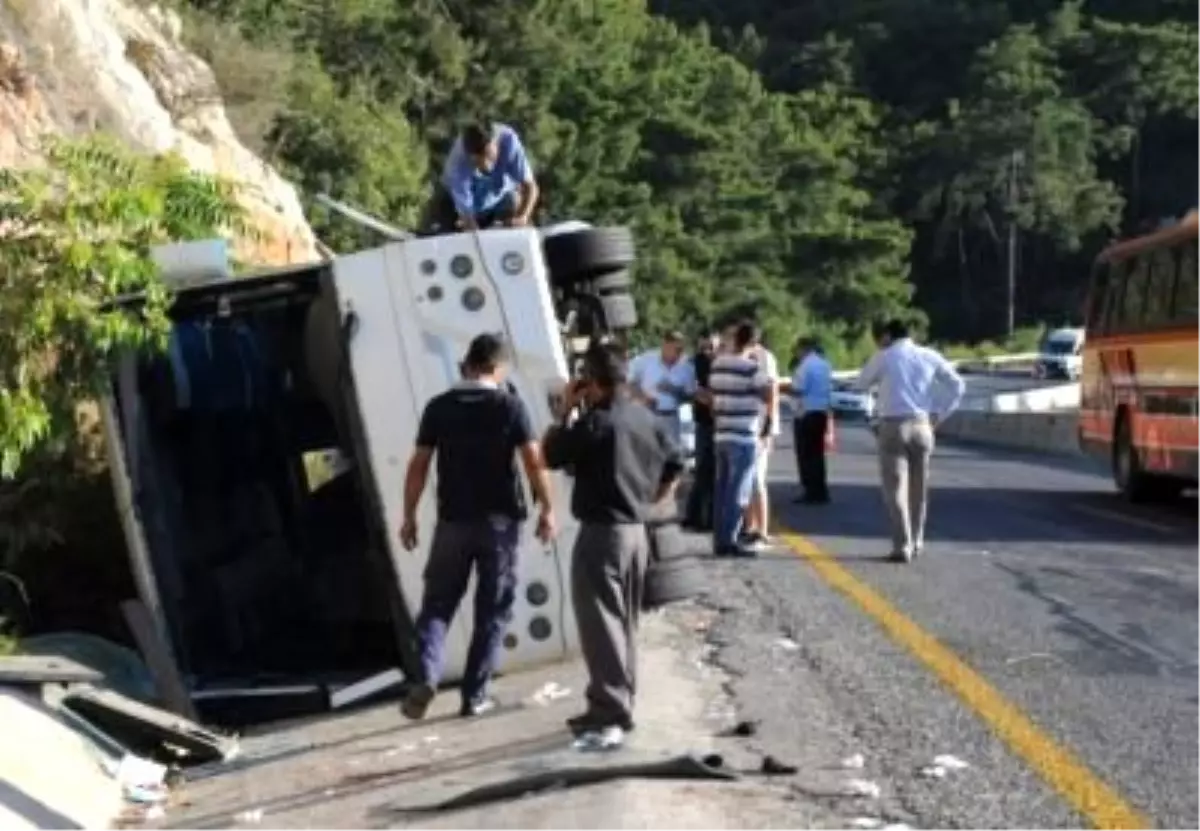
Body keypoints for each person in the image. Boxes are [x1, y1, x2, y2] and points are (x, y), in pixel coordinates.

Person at [398, 333, 556, 719]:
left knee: (437, 604)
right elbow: (533, 462)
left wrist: (409, 515)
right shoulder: (509, 406)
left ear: (467, 364)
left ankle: (426, 676)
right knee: (492, 610)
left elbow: (418, 465)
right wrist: (548, 508)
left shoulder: (439, 408)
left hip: (453, 522)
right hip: (500, 525)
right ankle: (475, 696)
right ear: (497, 367)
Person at [543, 343, 685, 750]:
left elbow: (549, 454)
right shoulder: (647, 418)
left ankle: (608, 710)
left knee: (600, 625)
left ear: (590, 381)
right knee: (624, 624)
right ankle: (622, 701)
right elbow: (676, 463)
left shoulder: (595, 423)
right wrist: (654, 497)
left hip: (601, 533)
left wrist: (564, 411)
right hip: (637, 531)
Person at [855, 319, 965, 563]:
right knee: (919, 488)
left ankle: (902, 544)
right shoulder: (928, 355)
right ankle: (917, 540)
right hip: (923, 424)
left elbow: (861, 384)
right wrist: (939, 413)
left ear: (887, 336)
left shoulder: (884, 356)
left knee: (895, 489)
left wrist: (872, 414)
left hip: (893, 424)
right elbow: (958, 385)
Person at [709, 321, 776, 558]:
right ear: (752, 343)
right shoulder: (751, 368)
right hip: (743, 435)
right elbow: (768, 393)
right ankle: (729, 541)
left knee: (722, 489)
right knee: (739, 492)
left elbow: (712, 396)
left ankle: (719, 539)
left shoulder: (717, 364)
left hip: (721, 433)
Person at [424, 120, 540, 233]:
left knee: (517, 205)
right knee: (438, 218)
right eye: (478, 161)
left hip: (501, 199)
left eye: (488, 155)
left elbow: (530, 186)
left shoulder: (509, 140)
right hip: (459, 205)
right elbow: (466, 216)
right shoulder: (458, 161)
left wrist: (522, 217)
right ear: (469, 155)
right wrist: (476, 236)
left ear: (495, 142)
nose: (486, 166)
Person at [741, 336, 781, 550]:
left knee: (757, 478)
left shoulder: (765, 357)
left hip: (760, 424)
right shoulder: (739, 356)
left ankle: (762, 530)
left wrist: (769, 428)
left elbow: (772, 392)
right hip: (745, 423)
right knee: (746, 479)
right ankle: (750, 526)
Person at [627, 331, 694, 448]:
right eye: (676, 350)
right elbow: (628, 381)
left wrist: (675, 390)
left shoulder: (686, 367)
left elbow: (690, 395)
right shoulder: (646, 360)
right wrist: (642, 396)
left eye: (681, 350)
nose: (678, 354)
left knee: (672, 459)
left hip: (671, 418)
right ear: (665, 345)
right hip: (648, 416)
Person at [683, 332, 720, 532]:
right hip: (704, 422)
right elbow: (694, 390)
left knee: (711, 473)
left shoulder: (722, 363)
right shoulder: (696, 364)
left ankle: (703, 517)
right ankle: (698, 517)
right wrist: (711, 399)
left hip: (718, 423)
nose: (709, 351)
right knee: (704, 471)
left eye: (712, 347)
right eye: (705, 347)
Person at [791, 337, 834, 505]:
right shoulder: (825, 364)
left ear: (803, 349)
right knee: (818, 454)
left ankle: (809, 490)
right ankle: (821, 490)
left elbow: (799, 389)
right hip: (821, 411)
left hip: (805, 412)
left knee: (805, 454)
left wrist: (783, 389)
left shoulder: (805, 366)